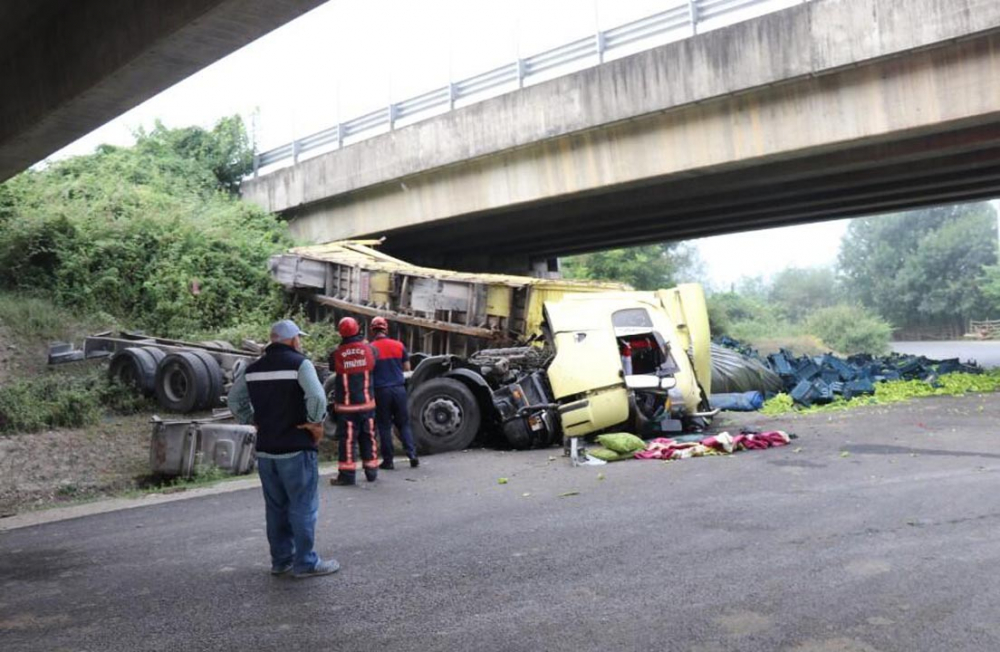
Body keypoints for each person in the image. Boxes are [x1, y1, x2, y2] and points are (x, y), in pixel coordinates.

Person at [227, 319, 339, 579]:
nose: (300, 342)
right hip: (296, 448)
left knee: (275, 508)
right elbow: (317, 396)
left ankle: (281, 561)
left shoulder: (253, 369)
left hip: (267, 451)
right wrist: (315, 422)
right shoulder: (300, 364)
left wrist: (249, 419)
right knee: (302, 506)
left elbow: (234, 399)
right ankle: (306, 563)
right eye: (298, 338)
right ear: (292, 339)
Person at [329, 316, 381, 486]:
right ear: (358, 329)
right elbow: (375, 361)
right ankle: (371, 471)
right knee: (368, 437)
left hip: (347, 407)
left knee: (348, 441)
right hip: (367, 405)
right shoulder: (370, 350)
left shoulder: (337, 354)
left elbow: (332, 367)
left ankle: (347, 475)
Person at [369, 316, 419, 469]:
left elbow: (368, 370)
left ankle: (388, 461)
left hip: (381, 391)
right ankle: (412, 455)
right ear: (386, 329)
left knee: (384, 426)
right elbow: (407, 368)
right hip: (399, 390)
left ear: (372, 330)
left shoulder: (370, 349)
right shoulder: (399, 345)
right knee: (403, 424)